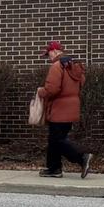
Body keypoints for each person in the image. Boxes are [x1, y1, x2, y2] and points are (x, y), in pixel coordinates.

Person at [37, 39, 92, 178]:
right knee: (54, 139)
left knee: (58, 140)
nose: (48, 57)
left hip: (59, 109)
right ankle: (54, 168)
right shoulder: (72, 65)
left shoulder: (57, 66)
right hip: (72, 107)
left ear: (55, 51)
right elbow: (81, 82)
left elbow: (52, 89)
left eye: (48, 54)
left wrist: (41, 92)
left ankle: (82, 157)